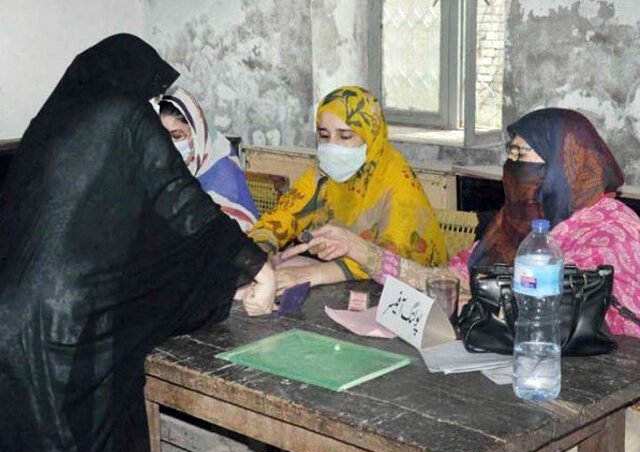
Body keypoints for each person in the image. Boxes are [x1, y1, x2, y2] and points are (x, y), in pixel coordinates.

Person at [0, 34, 275, 452]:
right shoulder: (124, 115)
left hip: (10, 319)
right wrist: (255, 266)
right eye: (151, 95)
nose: (151, 107)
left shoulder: (50, 123)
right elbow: (183, 205)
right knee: (78, 447)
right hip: (67, 328)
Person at [286, 108, 640, 337]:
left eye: (523, 156)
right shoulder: (516, 223)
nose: (513, 168)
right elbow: (448, 280)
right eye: (510, 155)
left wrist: (487, 296)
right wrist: (362, 251)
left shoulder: (610, 230)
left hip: (604, 399)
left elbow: (572, 317)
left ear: (565, 167)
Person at [249, 85, 446, 293]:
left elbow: (391, 262)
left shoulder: (399, 184)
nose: (332, 147)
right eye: (324, 136)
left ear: (371, 136)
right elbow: (282, 218)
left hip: (412, 295)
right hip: (346, 287)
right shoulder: (321, 174)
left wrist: (310, 274)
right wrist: (259, 257)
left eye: (345, 137)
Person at [159, 87, 259, 232]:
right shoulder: (172, 168)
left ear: (196, 133)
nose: (170, 144)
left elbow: (238, 232)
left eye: (177, 136)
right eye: (164, 137)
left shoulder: (223, 174)